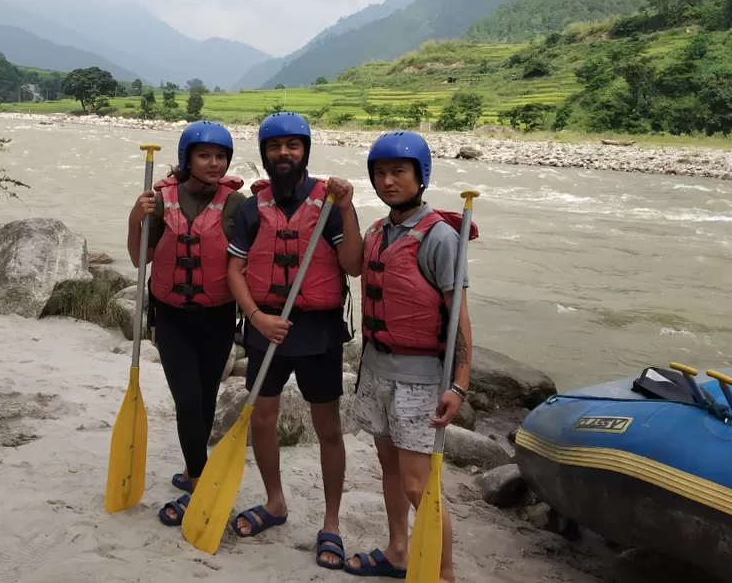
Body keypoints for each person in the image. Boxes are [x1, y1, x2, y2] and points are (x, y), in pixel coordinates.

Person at [226, 111, 363, 570]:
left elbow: (353, 265)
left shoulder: (329, 204)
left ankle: (331, 522)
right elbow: (234, 271)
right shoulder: (252, 209)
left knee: (328, 430)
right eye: (274, 146)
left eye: (292, 145)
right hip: (266, 326)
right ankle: (275, 502)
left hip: (318, 331)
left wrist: (347, 207)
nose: (283, 153)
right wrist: (256, 318)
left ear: (305, 151)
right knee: (262, 420)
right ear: (264, 154)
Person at [345, 130, 477, 581]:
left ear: (421, 177)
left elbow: (459, 318)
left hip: (419, 381)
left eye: (398, 172)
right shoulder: (376, 232)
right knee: (390, 469)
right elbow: (351, 265)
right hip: (376, 369)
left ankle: (443, 572)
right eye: (380, 173)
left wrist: (460, 384)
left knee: (419, 485)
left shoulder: (439, 238)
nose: (388, 181)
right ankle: (398, 550)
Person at [126, 120, 247, 527]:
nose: (214, 163)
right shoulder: (161, 200)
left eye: (220, 156)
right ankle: (198, 480)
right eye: (204, 155)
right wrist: (134, 218)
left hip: (217, 317)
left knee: (207, 398)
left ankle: (193, 465)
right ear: (187, 159)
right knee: (189, 400)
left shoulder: (236, 204)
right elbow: (139, 258)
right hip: (173, 317)